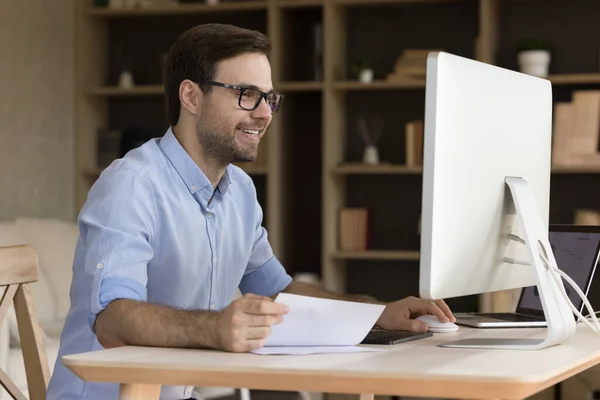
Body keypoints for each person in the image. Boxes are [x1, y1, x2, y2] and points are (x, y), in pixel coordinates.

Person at [46, 23, 455, 400]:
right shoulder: (131, 185)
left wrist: (377, 313)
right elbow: (112, 320)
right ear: (191, 96)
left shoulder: (239, 190)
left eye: (270, 98)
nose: (264, 113)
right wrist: (215, 327)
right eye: (247, 94)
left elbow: (275, 290)